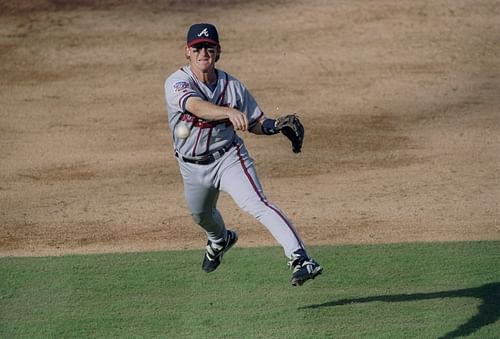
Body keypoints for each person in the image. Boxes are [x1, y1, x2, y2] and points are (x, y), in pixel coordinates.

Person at [164, 23, 322, 286]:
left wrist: (274, 127)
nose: (204, 52)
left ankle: (300, 258)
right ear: (187, 52)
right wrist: (227, 112)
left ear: (218, 52)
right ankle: (220, 240)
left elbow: (255, 121)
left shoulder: (233, 86)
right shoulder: (177, 82)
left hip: (229, 158)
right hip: (191, 167)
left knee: (257, 204)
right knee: (200, 216)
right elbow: (195, 106)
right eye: (198, 48)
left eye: (209, 48)